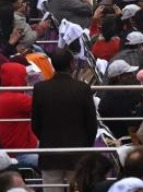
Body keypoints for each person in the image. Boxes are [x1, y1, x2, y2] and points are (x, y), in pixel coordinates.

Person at [32, 48, 98, 190]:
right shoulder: (82, 89)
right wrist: (85, 146)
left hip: (49, 152)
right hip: (77, 152)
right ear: (71, 64)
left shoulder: (40, 89)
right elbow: (92, 124)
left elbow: (35, 124)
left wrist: (46, 138)